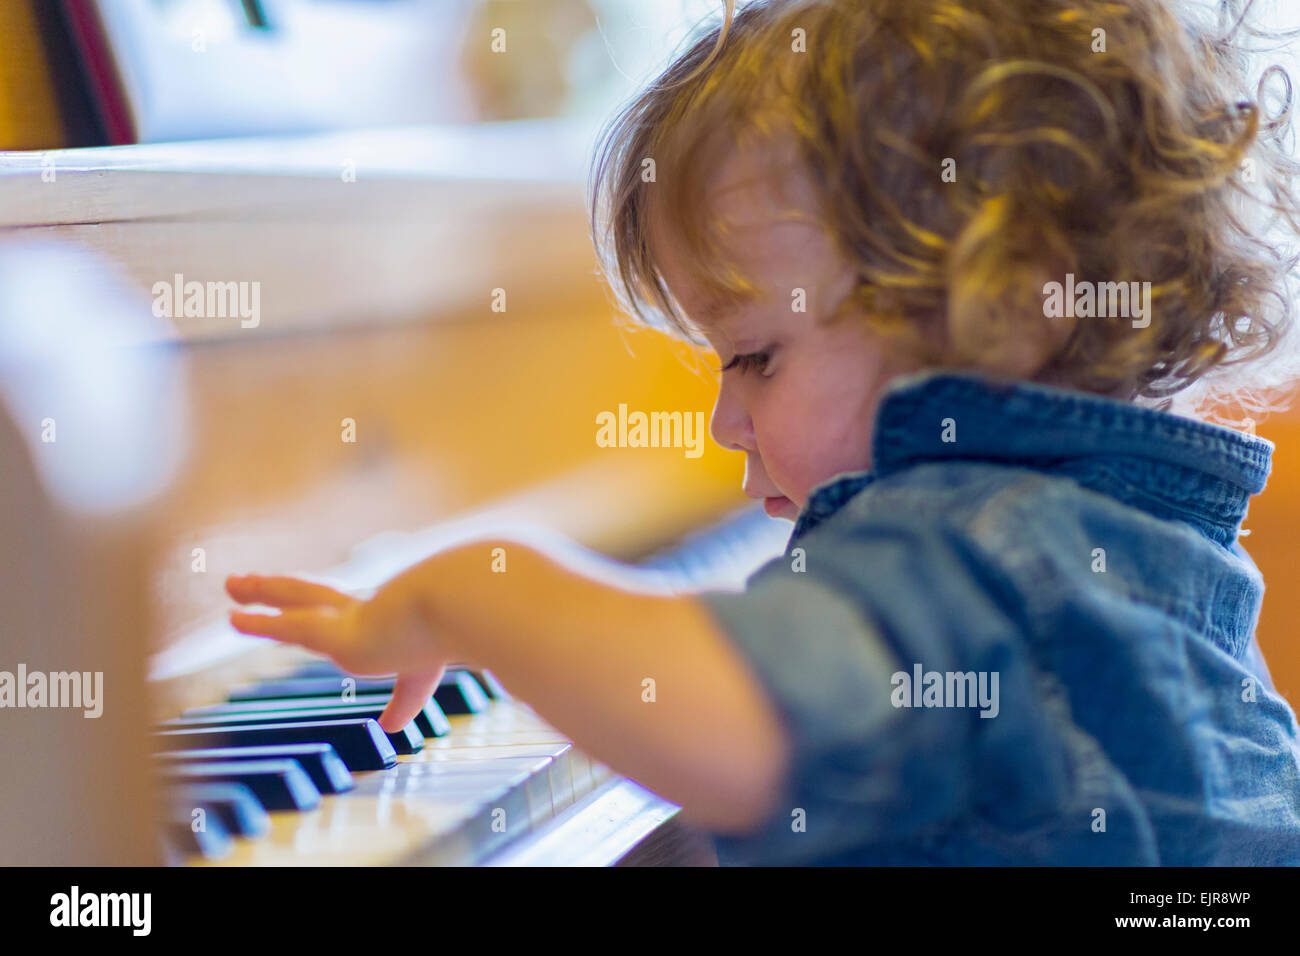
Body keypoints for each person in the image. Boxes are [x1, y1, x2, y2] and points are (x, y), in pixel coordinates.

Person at [227, 0, 1300, 864]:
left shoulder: (987, 545)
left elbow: (742, 723)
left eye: (756, 356)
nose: (723, 417)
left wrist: (470, 590)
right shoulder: (1114, 533)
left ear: (1007, 309)